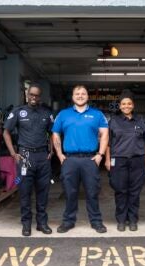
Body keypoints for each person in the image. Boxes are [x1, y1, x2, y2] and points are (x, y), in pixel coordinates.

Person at [52, 85, 109, 234]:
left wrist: (100, 155)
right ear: (72, 97)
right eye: (77, 93)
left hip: (90, 159)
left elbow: (105, 134)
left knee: (92, 192)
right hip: (70, 160)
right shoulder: (63, 114)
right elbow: (55, 134)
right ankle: (68, 221)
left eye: (83, 93)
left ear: (87, 96)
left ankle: (96, 222)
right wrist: (59, 155)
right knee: (70, 193)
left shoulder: (97, 115)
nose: (80, 96)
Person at [3, 83, 54, 237]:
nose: (33, 97)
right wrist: (13, 153)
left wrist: (51, 150)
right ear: (27, 94)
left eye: (36, 95)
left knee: (43, 191)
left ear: (40, 97)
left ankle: (42, 223)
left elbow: (52, 133)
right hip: (24, 157)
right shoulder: (18, 112)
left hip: (42, 158)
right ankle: (26, 224)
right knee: (24, 191)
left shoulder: (46, 113)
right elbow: (6, 132)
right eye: (31, 94)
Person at [105, 92, 145, 232]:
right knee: (120, 191)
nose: (126, 106)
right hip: (118, 161)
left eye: (129, 103)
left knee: (134, 192)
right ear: (119, 106)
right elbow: (107, 143)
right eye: (124, 104)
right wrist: (107, 160)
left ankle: (132, 220)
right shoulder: (113, 121)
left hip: (137, 161)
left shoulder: (141, 120)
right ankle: (121, 220)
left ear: (133, 105)